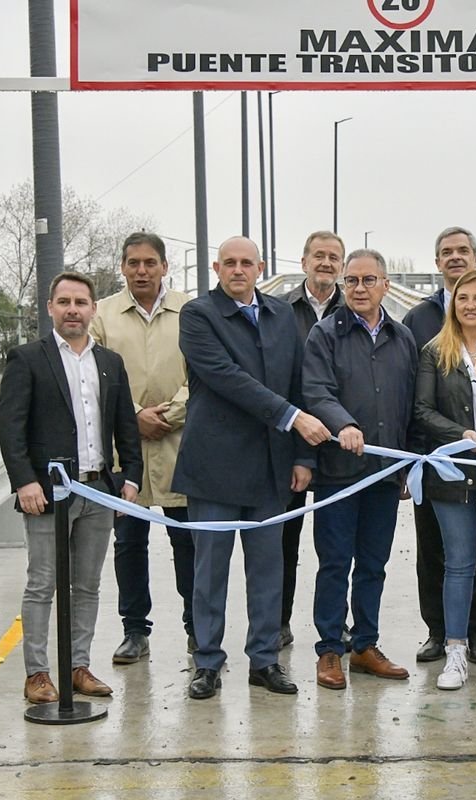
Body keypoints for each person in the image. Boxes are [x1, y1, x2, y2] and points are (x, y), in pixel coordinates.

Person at [173, 236, 330, 700]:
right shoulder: (198, 315)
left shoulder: (282, 315)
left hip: (271, 466)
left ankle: (264, 660)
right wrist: (291, 418)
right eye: (229, 263)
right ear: (216, 268)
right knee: (210, 573)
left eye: (246, 262)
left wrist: (303, 456)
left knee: (268, 570)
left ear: (260, 268)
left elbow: (299, 382)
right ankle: (207, 662)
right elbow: (226, 377)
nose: (238, 270)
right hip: (214, 467)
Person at [0, 271, 142, 704]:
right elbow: (10, 428)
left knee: (88, 585)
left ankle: (78, 667)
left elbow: (126, 426)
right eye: (64, 302)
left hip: (98, 492)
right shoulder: (27, 359)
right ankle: (38, 674)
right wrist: (25, 481)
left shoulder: (110, 362)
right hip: (48, 495)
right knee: (42, 584)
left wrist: (130, 478)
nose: (73, 310)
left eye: (81, 302)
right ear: (50, 308)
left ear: (93, 309)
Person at [402, 226, 476, 666]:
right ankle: (440, 633)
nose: (455, 257)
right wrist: (423, 456)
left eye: (462, 251)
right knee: (438, 554)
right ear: (437, 262)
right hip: (439, 465)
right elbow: (415, 401)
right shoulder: (419, 322)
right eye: (446, 252)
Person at [302, 248, 417, 690]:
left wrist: (408, 465)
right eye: (351, 280)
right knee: (334, 563)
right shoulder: (324, 334)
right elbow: (316, 390)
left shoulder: (402, 338)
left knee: (373, 564)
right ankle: (330, 649)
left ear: (385, 285)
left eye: (369, 280)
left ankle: (365, 645)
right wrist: (343, 423)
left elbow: (410, 404)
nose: (360, 288)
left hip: (385, 474)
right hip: (338, 474)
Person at [88, 232, 195, 664]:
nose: (142, 271)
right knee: (129, 543)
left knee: (188, 542)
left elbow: (203, 372)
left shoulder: (190, 311)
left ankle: (198, 629)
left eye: (150, 263)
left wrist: (169, 414)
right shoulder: (103, 315)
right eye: (133, 263)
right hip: (123, 451)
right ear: (123, 267)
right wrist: (133, 416)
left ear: (165, 267)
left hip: (180, 445)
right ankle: (134, 630)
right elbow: (91, 370)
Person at [277, 230, 346, 649]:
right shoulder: (279, 311)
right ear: (303, 262)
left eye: (333, 257)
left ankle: (338, 624)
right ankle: (279, 621)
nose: (325, 263)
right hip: (289, 445)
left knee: (339, 545)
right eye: (318, 255)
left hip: (341, 446)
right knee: (284, 540)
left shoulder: (353, 310)